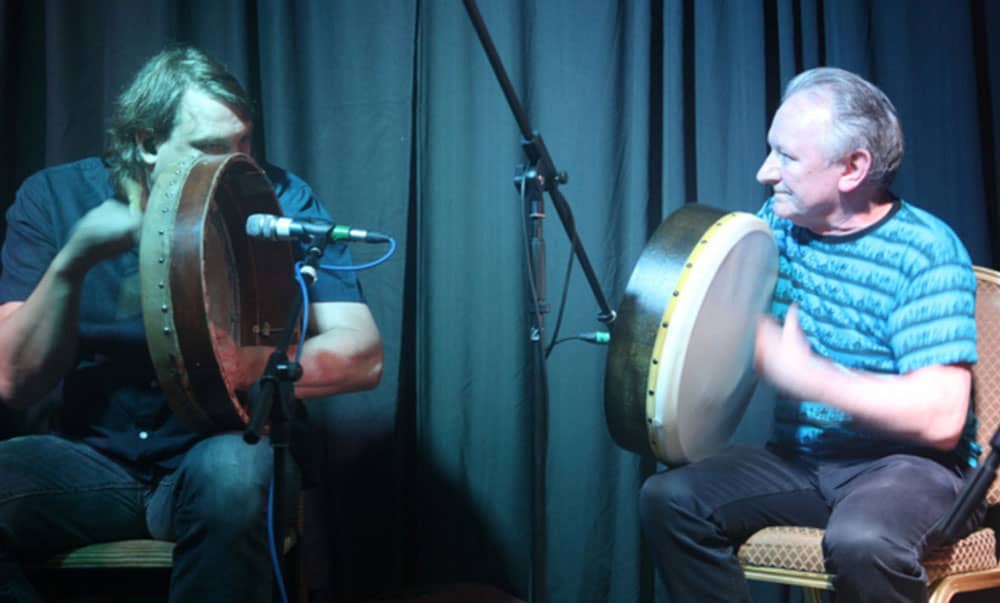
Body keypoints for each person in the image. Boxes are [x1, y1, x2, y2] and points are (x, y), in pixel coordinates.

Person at [0, 46, 383, 602]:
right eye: (210, 148)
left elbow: (363, 353)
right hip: (96, 463)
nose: (233, 163)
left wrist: (242, 370)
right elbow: (13, 381)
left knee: (234, 473)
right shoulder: (56, 198)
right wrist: (71, 263)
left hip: (222, 450)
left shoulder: (278, 197)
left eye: (242, 144)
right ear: (148, 143)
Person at [638, 67, 981, 602]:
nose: (764, 172)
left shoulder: (926, 251)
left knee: (863, 540)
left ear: (853, 168)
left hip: (908, 467)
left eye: (787, 158)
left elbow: (940, 419)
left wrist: (812, 378)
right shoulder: (774, 228)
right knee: (671, 498)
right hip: (801, 459)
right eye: (771, 151)